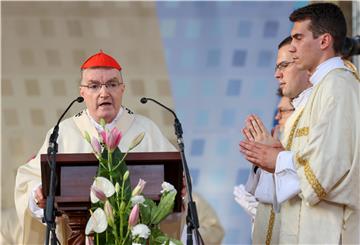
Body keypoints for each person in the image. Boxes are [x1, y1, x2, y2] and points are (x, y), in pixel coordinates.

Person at [14, 51, 177, 244]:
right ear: (82, 92)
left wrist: (177, 190)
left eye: (112, 84)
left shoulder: (146, 130)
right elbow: (28, 179)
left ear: (122, 89)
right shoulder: (63, 132)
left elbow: (175, 181)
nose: (104, 92)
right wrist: (37, 193)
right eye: (94, 86)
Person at [240, 3, 360, 243]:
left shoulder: (338, 86)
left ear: (324, 41)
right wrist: (279, 153)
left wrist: (279, 160)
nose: (292, 47)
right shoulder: (321, 89)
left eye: (298, 37)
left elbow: (328, 168)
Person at [235, 35, 312, 244]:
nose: (278, 74)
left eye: (284, 65)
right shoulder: (290, 126)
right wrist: (262, 159)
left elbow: (316, 177)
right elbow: (260, 193)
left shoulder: (316, 115)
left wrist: (277, 156)